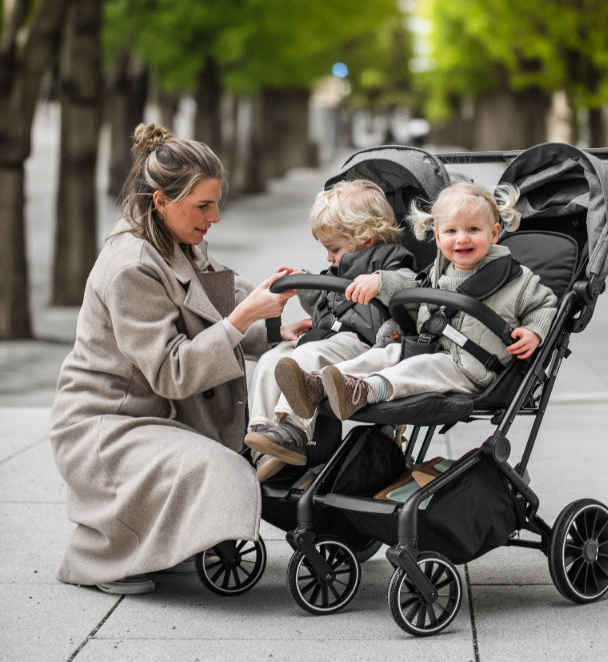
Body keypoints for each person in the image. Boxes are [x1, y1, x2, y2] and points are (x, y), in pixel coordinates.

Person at [49, 123, 301, 596]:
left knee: (232, 460)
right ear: (161, 201)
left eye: (216, 203)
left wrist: (275, 332)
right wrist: (247, 315)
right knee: (225, 470)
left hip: (154, 418)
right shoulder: (130, 266)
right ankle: (106, 559)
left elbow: (209, 312)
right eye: (203, 205)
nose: (215, 217)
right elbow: (172, 370)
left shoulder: (179, 242)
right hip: (107, 427)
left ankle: (161, 545)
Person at [275, 180, 558, 421]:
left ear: (494, 233)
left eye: (473, 230)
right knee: (385, 354)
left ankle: (365, 391)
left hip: (474, 369)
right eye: (451, 231)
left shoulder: (514, 277)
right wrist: (383, 285)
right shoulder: (437, 273)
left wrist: (534, 332)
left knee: (418, 368)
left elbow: (544, 304)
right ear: (437, 237)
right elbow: (410, 289)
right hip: (432, 350)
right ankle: (320, 383)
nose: (462, 239)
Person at [243, 179, 417, 480]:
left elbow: (413, 286)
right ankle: (263, 435)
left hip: (367, 346)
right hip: (332, 340)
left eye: (333, 248)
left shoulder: (393, 263)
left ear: (365, 238)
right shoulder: (339, 270)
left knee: (308, 356)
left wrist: (382, 282)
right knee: (273, 358)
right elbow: (326, 306)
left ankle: (294, 430)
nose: (328, 257)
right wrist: (305, 283)